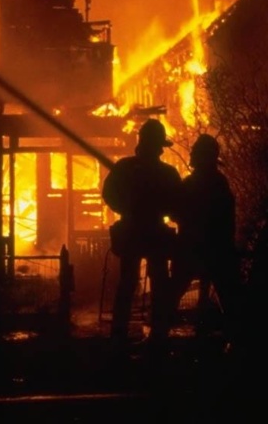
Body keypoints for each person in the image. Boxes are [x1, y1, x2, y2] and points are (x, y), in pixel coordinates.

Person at [102, 119, 182, 351]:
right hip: (156, 232)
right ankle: (158, 335)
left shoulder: (125, 168)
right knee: (159, 283)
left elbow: (109, 194)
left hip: (132, 231)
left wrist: (127, 210)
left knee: (127, 284)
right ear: (159, 146)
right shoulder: (167, 173)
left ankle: (118, 336)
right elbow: (177, 203)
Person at [170, 133, 241, 346]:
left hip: (193, 250)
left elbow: (176, 214)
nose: (190, 154)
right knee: (229, 296)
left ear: (201, 157)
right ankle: (237, 340)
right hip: (218, 250)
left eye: (194, 152)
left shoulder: (191, 184)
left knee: (172, 293)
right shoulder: (221, 183)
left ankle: (158, 338)